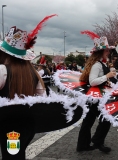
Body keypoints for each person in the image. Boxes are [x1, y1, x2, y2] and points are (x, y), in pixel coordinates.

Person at [0, 26, 47, 159]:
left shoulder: (2, 70)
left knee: (11, 157)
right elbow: (42, 99)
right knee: (17, 155)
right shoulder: (33, 72)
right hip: (27, 125)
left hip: (7, 126)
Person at [77, 31, 117, 153]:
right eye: (107, 51)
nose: (108, 52)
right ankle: (97, 141)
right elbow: (93, 81)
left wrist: (107, 81)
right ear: (101, 52)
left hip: (94, 97)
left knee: (88, 121)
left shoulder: (99, 63)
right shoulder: (97, 65)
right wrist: (107, 76)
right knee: (106, 119)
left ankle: (82, 145)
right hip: (95, 98)